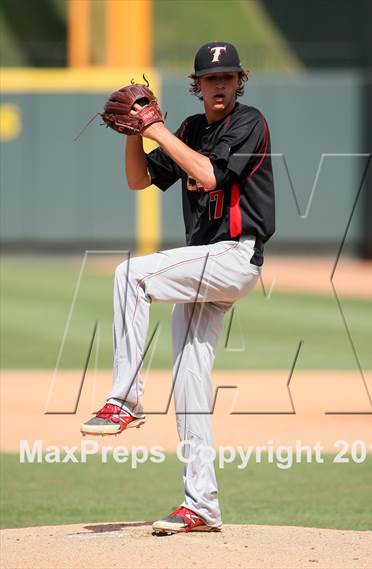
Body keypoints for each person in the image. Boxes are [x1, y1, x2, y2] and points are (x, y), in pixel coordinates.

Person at [81, 41, 275, 534]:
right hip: (205, 264)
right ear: (197, 84)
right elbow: (138, 180)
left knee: (132, 275)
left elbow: (210, 175)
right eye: (211, 79)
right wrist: (133, 134)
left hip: (234, 256)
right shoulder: (188, 129)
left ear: (239, 82)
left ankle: (124, 398)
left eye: (228, 78)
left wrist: (155, 128)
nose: (219, 86)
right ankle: (201, 505)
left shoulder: (249, 122)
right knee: (189, 382)